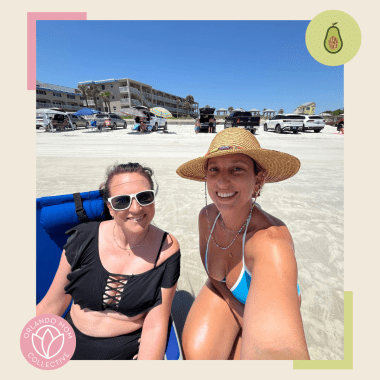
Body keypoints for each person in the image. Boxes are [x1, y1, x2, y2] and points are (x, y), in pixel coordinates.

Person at [176, 128, 310, 360]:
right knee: (198, 355)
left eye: (237, 169)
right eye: (214, 169)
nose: (222, 180)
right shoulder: (206, 218)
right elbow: (214, 277)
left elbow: (278, 349)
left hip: (269, 308)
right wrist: (237, 311)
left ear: (258, 179)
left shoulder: (270, 242)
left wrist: (251, 326)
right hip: (227, 293)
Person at [37, 163, 181, 360]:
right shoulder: (83, 238)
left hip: (123, 353)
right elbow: (52, 304)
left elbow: (156, 323)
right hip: (66, 345)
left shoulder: (166, 249)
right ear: (110, 208)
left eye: (144, 197)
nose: (136, 208)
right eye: (122, 201)